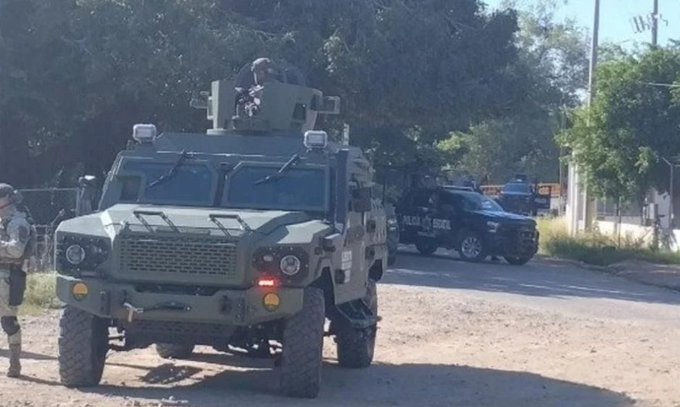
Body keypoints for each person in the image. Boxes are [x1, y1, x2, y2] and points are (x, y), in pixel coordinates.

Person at [0, 183, 33, 378]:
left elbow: (16, 249)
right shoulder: (3, 221)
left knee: (8, 321)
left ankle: (14, 363)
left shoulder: (17, 223)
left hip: (7, 277)